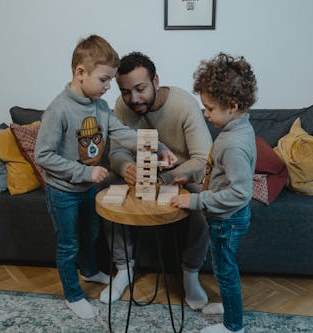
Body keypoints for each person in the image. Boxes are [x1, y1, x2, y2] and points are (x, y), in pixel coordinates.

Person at [34, 36, 177, 319]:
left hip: (88, 189)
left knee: (92, 234)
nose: (109, 86)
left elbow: (121, 133)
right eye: (104, 79)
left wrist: (157, 146)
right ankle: (73, 296)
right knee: (68, 243)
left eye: (110, 80)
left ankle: (89, 270)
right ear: (80, 73)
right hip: (63, 191)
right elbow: (43, 156)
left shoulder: (99, 106)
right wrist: (85, 171)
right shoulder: (58, 109)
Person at [99, 52, 213, 310]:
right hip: (141, 177)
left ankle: (190, 272)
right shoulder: (121, 106)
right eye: (126, 91)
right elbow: (116, 152)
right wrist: (127, 167)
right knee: (106, 191)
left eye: (140, 89)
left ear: (156, 81)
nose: (133, 99)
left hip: (183, 175)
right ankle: (123, 267)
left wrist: (166, 177)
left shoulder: (184, 106)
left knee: (206, 204)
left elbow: (202, 159)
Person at [170, 53, 257, 333]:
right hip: (225, 218)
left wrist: (195, 200)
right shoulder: (235, 128)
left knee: (225, 272)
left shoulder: (234, 144)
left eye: (209, 108)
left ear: (232, 106)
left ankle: (233, 326)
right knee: (223, 269)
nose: (205, 114)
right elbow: (215, 170)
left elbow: (239, 193)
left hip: (227, 220)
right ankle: (228, 307)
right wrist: (192, 176)